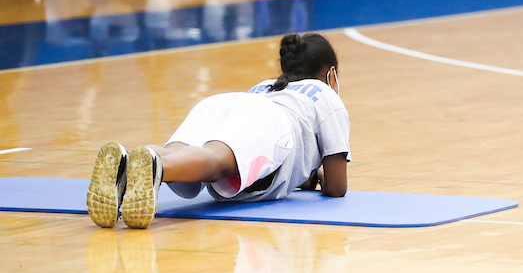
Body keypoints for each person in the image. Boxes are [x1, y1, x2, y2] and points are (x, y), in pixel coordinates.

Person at [86, 32, 351, 228]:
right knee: (214, 161)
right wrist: (323, 177)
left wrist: (308, 172)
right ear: (331, 75)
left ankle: (129, 162)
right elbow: (337, 187)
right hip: (269, 119)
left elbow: (272, 158)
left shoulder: (267, 86)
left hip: (226, 102)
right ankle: (157, 168)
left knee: (178, 153)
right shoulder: (326, 95)